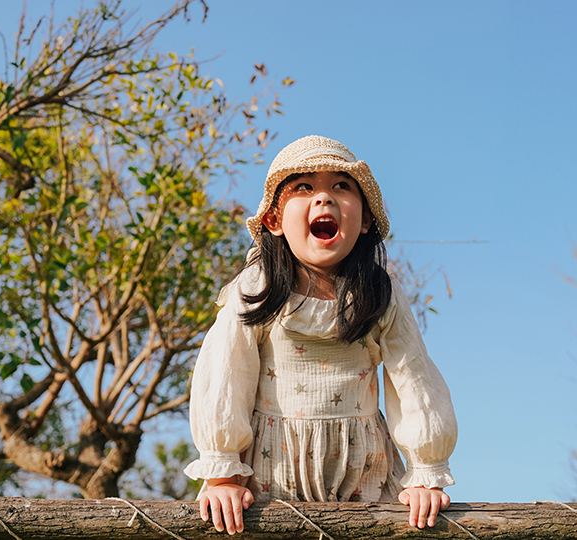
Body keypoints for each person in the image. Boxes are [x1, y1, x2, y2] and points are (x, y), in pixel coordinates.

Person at [184, 135, 458, 534]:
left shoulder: (379, 293)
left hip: (362, 473)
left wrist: (424, 472)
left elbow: (414, 378)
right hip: (268, 475)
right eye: (304, 187)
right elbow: (225, 377)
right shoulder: (257, 288)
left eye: (341, 187)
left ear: (364, 220)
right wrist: (223, 472)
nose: (324, 199)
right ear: (273, 220)